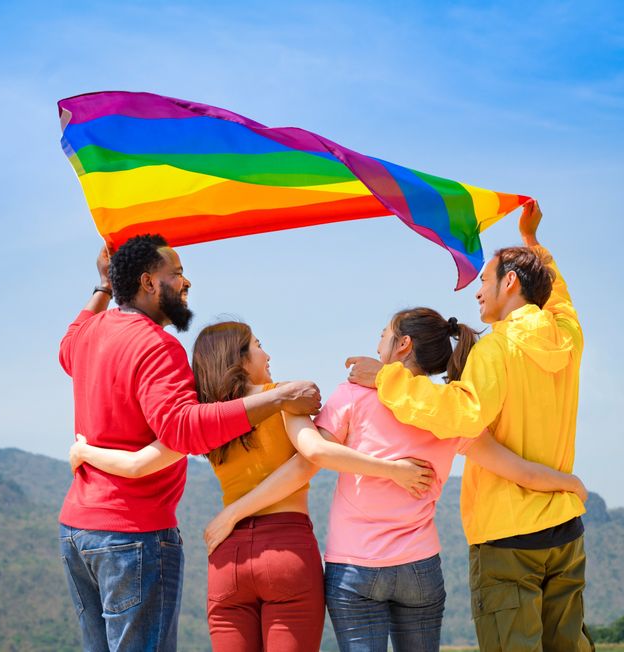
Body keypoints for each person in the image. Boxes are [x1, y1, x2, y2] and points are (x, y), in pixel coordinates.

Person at [69, 320, 435, 652]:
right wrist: (394, 469)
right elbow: (310, 458)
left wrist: (85, 451)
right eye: (259, 344)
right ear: (240, 358)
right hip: (286, 554)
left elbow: (136, 465)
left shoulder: (204, 418)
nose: (268, 353)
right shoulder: (284, 398)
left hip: (227, 559)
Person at [346, 201, 593, 652]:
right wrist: (534, 244)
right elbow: (560, 298)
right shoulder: (568, 338)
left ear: (510, 282)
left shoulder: (496, 349)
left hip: (508, 536)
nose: (477, 291)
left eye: (483, 280)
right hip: (566, 531)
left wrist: (386, 378)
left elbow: (461, 414)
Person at [57, 234, 321, 652]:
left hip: (77, 532)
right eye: (176, 273)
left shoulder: (91, 333)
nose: (186, 283)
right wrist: (277, 397)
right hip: (133, 535)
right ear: (148, 282)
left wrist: (104, 286)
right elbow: (182, 428)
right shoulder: (158, 347)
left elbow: (66, 349)